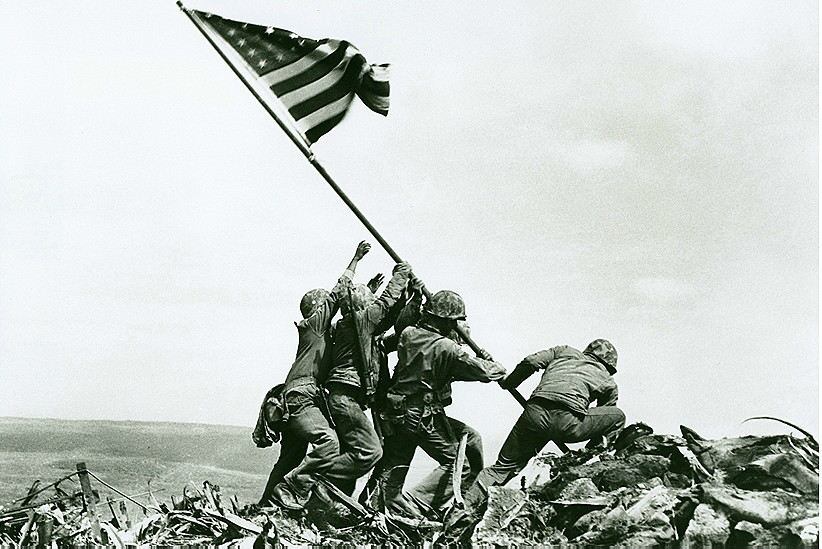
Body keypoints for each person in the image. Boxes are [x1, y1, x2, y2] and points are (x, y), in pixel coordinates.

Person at [372, 290, 506, 517]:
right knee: (459, 465)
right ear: (444, 320)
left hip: (397, 412)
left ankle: (377, 506)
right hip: (421, 415)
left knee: (395, 464)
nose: (455, 326)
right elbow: (484, 372)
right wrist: (492, 363)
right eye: (453, 321)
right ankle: (415, 505)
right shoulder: (447, 348)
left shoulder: (408, 334)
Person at [261, 241, 371, 509]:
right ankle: (292, 490)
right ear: (318, 309)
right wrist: (355, 260)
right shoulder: (314, 326)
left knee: (290, 458)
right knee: (329, 443)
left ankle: (266, 506)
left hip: (294, 399)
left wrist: (370, 292)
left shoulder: (319, 334)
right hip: (302, 398)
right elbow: (337, 295)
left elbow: (352, 318)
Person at [459, 339, 626, 515]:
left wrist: (510, 383)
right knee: (618, 416)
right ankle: (591, 460)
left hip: (534, 415)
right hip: (568, 424)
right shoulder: (608, 380)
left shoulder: (563, 351)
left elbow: (530, 362)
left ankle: (464, 509)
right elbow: (605, 413)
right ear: (609, 364)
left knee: (501, 468)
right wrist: (591, 450)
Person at [321, 260, 413, 495]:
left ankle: (330, 501)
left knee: (352, 454)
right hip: (346, 398)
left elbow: (390, 318)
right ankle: (311, 477)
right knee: (370, 452)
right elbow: (385, 304)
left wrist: (411, 298)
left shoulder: (354, 328)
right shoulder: (359, 321)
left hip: (345, 398)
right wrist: (400, 275)